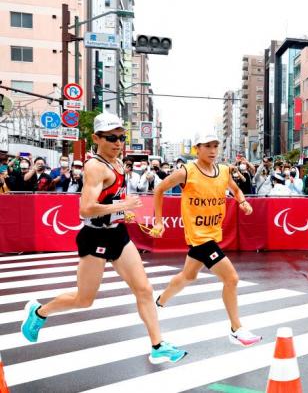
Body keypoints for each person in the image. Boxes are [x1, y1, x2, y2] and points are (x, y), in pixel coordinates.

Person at [20, 112, 186, 363]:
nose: (118, 143)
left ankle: (158, 345)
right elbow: (85, 209)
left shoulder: (119, 163)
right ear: (97, 138)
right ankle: (39, 312)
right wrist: (121, 206)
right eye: (111, 138)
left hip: (118, 235)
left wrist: (124, 212)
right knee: (84, 299)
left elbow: (110, 200)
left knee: (144, 289)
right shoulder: (95, 167)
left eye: (121, 137)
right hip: (95, 237)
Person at [151, 131, 261, 347]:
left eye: (215, 146)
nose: (212, 151)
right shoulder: (187, 171)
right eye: (207, 146)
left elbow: (237, 191)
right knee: (231, 279)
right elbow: (159, 189)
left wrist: (243, 202)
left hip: (212, 234)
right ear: (197, 149)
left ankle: (159, 302)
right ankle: (236, 329)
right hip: (199, 237)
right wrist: (158, 221)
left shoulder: (223, 171)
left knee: (187, 276)